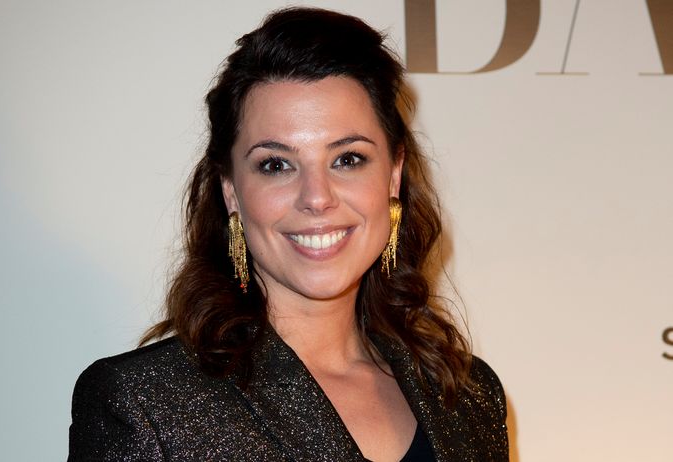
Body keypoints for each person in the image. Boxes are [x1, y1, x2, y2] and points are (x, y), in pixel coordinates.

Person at [68, 7, 508, 462]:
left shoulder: (469, 395)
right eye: (276, 165)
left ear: (393, 175)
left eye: (348, 159)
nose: (316, 197)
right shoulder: (146, 404)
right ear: (230, 190)